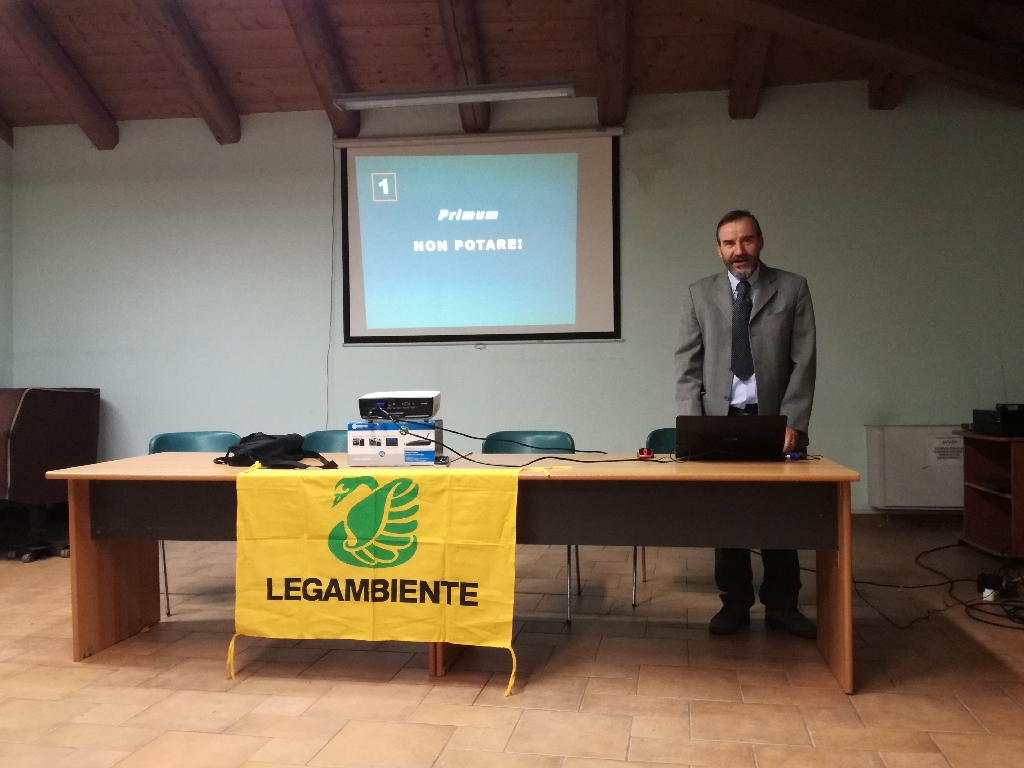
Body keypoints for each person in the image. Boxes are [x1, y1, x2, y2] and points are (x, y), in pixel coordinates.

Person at [674, 210, 817, 639]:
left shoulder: (792, 288)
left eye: (746, 240)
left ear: (760, 241)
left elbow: (804, 361)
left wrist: (793, 420)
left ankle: (783, 605)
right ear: (718, 247)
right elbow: (687, 365)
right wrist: (692, 426)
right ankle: (734, 602)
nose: (739, 250)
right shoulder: (699, 294)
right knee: (728, 514)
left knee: (780, 514)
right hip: (720, 422)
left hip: (775, 420)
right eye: (729, 243)